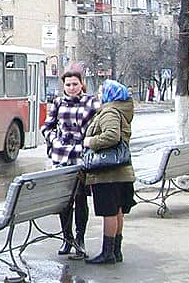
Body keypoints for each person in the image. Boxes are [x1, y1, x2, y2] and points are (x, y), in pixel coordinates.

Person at [41, 67, 98, 258]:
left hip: (81, 156)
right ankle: (67, 238)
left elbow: (97, 128)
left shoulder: (91, 103)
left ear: (82, 84)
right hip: (61, 156)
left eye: (75, 84)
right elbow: (47, 127)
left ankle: (80, 239)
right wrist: (54, 140)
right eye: (68, 84)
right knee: (65, 201)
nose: (71, 88)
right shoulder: (57, 102)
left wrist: (87, 143)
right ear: (63, 86)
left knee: (80, 198)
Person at [83, 79, 135, 265]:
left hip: (108, 172)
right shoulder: (122, 110)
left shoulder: (110, 111)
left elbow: (112, 136)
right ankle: (116, 250)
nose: (98, 94)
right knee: (118, 210)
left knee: (110, 212)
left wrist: (90, 142)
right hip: (121, 171)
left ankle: (108, 253)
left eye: (101, 91)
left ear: (109, 95)